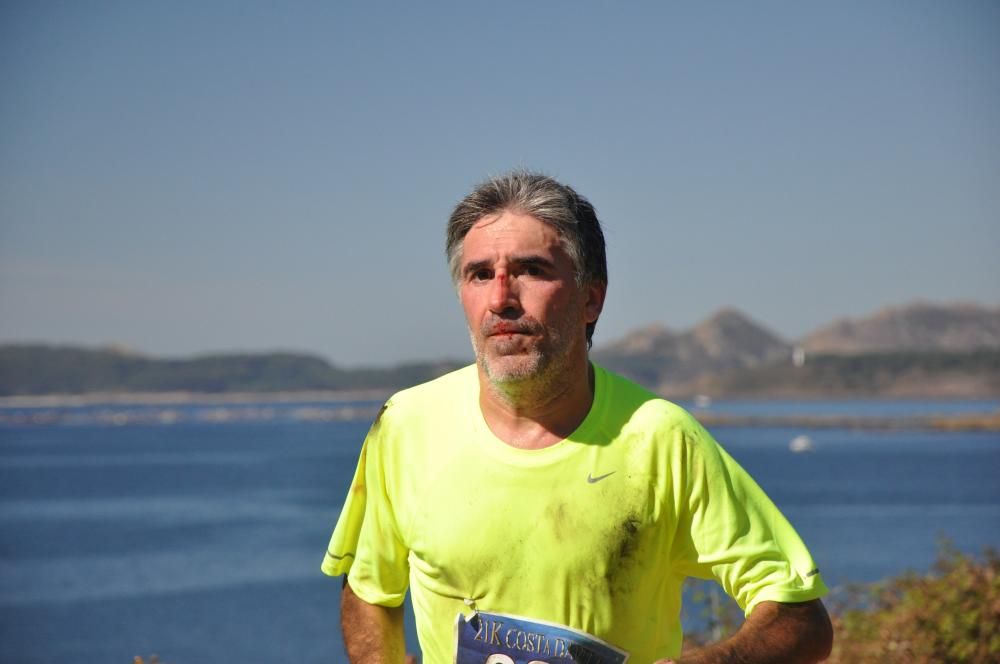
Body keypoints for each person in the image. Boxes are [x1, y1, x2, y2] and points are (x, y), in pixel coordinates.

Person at [322, 171, 833, 663]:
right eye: (480, 275)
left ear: (591, 298)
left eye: (531, 270)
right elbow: (369, 590)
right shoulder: (406, 425)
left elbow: (801, 619)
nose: (500, 298)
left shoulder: (660, 438)